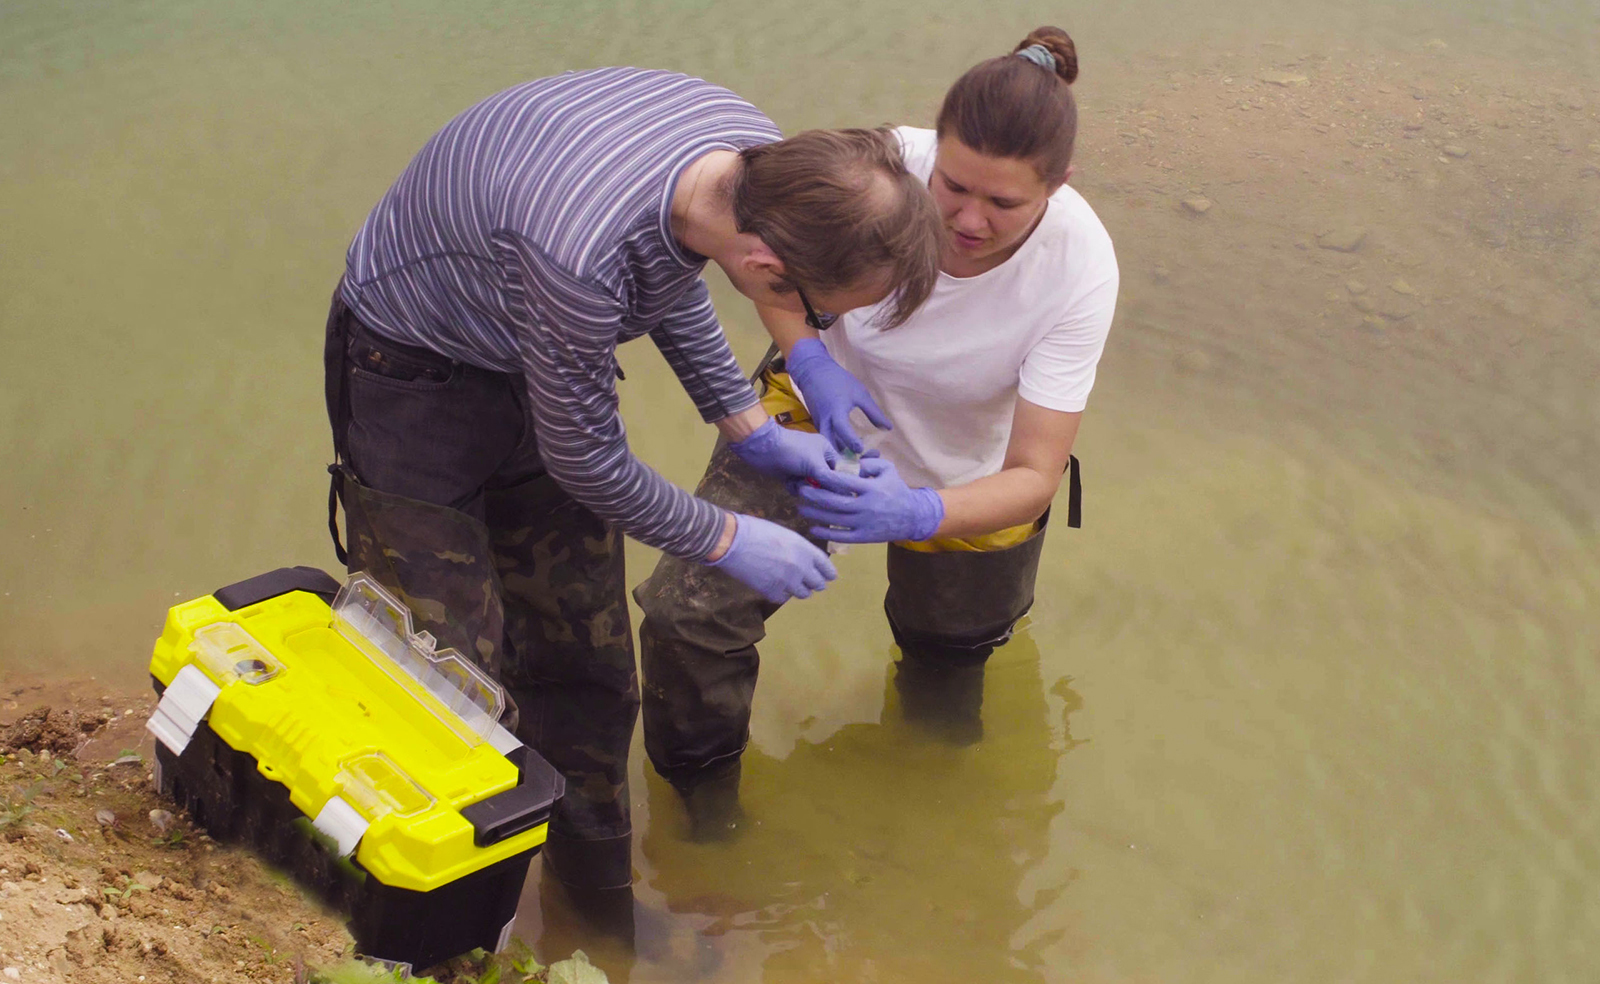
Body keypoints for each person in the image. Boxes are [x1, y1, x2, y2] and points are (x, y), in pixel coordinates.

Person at [321, 66, 943, 901]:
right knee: (444, 678)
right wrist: (729, 537)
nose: (818, 329)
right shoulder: (575, 254)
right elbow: (588, 460)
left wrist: (750, 427)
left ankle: (592, 907)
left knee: (589, 659)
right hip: (408, 369)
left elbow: (665, 279)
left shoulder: (747, 154)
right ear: (766, 265)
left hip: (536, 340)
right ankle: (446, 922)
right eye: (820, 314)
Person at [634, 27, 1118, 835]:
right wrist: (811, 359)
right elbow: (767, 264)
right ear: (935, 144)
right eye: (955, 186)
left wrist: (920, 513)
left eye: (1004, 203)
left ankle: (923, 828)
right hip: (813, 418)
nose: (967, 219)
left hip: (972, 476)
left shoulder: (1080, 269)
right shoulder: (881, 167)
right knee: (690, 619)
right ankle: (703, 817)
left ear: (1058, 184)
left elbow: (1035, 472)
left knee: (948, 669)